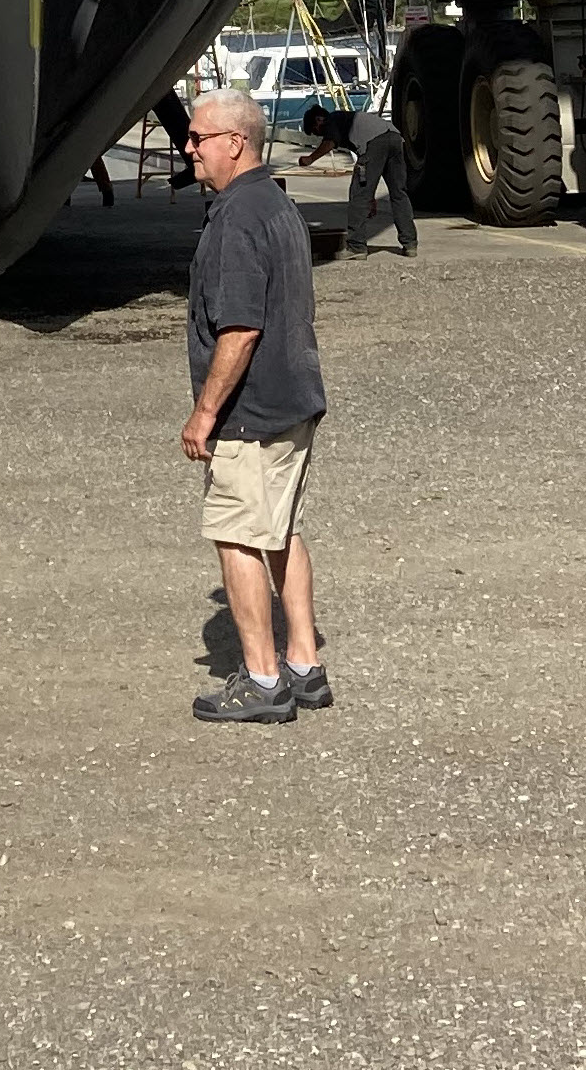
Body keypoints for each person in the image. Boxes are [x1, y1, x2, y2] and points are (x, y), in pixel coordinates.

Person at [178, 86, 329, 725]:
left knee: (237, 536)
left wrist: (205, 413)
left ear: (235, 143)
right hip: (294, 398)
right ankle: (304, 664)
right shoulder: (275, 202)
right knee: (281, 529)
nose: (188, 148)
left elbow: (240, 329)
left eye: (198, 138)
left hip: (252, 411)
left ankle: (264, 679)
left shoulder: (237, 217)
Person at [300, 94, 421, 258]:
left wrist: (310, 159)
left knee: (358, 196)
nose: (320, 135)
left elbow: (330, 142)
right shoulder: (347, 120)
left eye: (316, 131)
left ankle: (356, 246)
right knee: (399, 193)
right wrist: (371, 197)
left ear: (318, 120)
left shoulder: (332, 120)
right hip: (394, 137)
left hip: (374, 143)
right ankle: (410, 243)